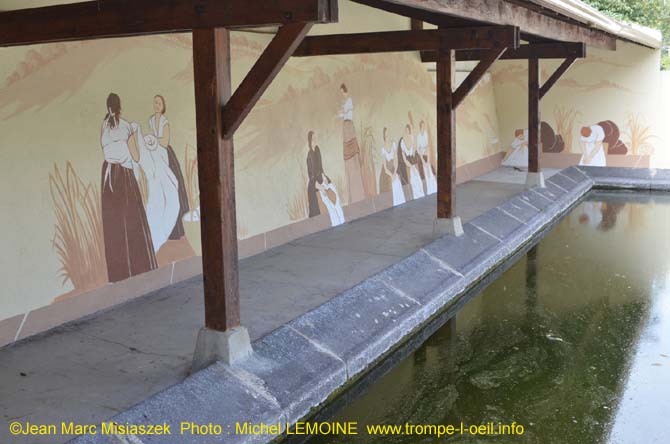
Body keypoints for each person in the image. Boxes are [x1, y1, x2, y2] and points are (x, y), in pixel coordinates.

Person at [100, 93, 157, 282]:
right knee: (131, 219)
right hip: (123, 176)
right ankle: (138, 267)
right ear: (119, 107)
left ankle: (119, 273)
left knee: (115, 222)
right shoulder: (124, 126)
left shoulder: (104, 126)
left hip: (108, 177)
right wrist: (135, 132)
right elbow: (135, 156)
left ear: (108, 108)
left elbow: (107, 150)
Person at [149, 95, 190, 239]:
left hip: (166, 156)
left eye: (159, 103)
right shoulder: (151, 120)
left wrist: (154, 140)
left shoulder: (165, 122)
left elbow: (165, 142)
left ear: (163, 106)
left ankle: (178, 228)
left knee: (173, 188)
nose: (157, 105)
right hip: (156, 155)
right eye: (155, 102)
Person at [307, 131, 345, 227]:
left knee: (335, 196)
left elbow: (320, 168)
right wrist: (321, 188)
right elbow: (312, 177)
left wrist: (324, 177)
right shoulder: (309, 156)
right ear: (310, 141)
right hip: (315, 185)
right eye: (313, 139)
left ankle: (342, 221)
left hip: (322, 179)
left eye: (316, 138)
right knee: (329, 206)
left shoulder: (317, 150)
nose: (315, 141)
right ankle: (336, 224)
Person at [338, 84, 366, 204]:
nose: (342, 94)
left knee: (354, 156)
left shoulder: (349, 101)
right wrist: (339, 114)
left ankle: (358, 194)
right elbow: (342, 114)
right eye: (341, 93)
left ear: (345, 91)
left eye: (342, 92)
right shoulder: (345, 102)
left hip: (349, 126)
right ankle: (353, 195)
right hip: (345, 127)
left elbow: (348, 112)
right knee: (348, 157)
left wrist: (342, 113)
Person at [379, 128, 405, 206]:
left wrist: (394, 173)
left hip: (394, 168)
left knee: (397, 180)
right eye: (386, 135)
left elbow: (396, 161)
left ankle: (401, 202)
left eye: (388, 135)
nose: (388, 137)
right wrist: (391, 175)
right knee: (392, 182)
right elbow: (385, 167)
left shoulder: (393, 144)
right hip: (387, 170)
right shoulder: (383, 149)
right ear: (384, 136)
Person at [400, 124, 425, 200]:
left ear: (409, 130)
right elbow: (404, 157)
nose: (407, 131)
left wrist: (414, 163)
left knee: (418, 179)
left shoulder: (412, 137)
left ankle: (421, 194)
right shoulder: (402, 141)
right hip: (408, 163)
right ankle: (416, 196)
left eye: (408, 130)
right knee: (413, 180)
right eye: (406, 130)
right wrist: (410, 166)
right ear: (405, 130)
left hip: (413, 159)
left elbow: (415, 149)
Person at [416, 120, 437, 195]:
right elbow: (418, 149)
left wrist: (428, 159)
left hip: (426, 153)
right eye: (423, 126)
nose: (424, 127)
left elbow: (427, 146)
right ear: (420, 127)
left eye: (424, 126)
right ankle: (428, 188)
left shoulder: (426, 134)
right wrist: (422, 159)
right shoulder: (418, 136)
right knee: (425, 170)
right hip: (421, 154)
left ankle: (433, 187)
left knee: (429, 169)